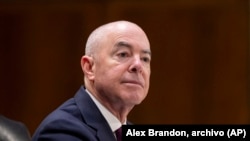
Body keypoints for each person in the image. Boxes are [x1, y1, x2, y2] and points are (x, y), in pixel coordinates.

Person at [32, 20, 152, 141]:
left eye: (145, 59)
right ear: (89, 67)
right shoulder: (62, 129)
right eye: (123, 54)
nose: (138, 65)